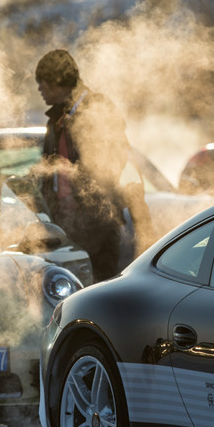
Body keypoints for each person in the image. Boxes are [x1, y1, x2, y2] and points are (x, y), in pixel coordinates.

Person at [33, 49, 137, 282]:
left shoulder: (96, 110)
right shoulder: (56, 119)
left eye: (44, 84)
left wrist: (91, 195)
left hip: (97, 224)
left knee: (99, 288)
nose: (40, 90)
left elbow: (115, 158)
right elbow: (49, 169)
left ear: (58, 82)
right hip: (65, 226)